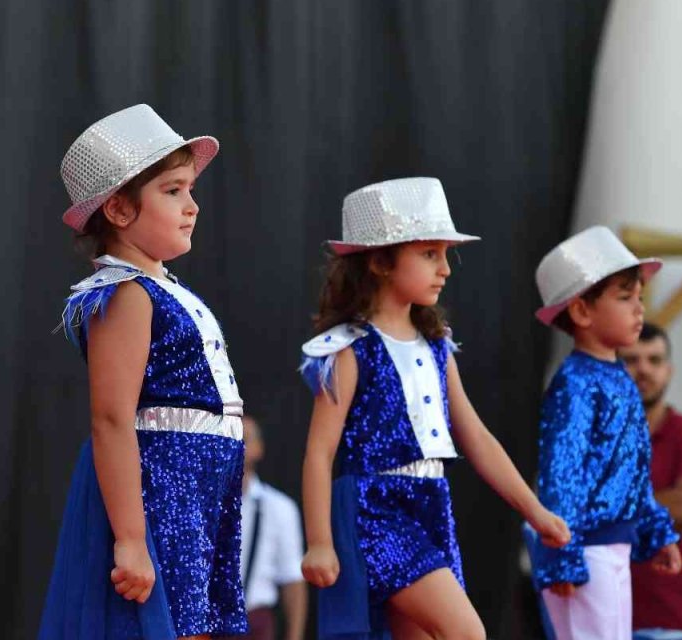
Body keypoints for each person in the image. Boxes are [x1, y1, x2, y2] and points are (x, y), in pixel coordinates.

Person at [299, 178, 571, 639]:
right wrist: (320, 542)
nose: (444, 269)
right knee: (467, 632)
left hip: (430, 506)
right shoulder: (348, 349)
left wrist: (535, 510)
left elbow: (477, 439)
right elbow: (320, 453)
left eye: (446, 255)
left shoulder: (438, 348)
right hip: (375, 511)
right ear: (381, 260)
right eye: (429, 254)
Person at [38, 104, 246, 639]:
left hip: (199, 488)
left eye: (190, 190)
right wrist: (131, 538)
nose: (192, 206)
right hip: (161, 485)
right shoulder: (126, 293)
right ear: (120, 210)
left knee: (193, 625)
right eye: (173, 191)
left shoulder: (164, 289)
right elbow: (111, 419)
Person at [532, 226, 682, 640]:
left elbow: (632, 472)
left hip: (614, 548)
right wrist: (563, 554)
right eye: (624, 298)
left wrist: (656, 530)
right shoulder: (576, 383)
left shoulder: (617, 377)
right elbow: (561, 475)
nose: (639, 310)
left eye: (640, 298)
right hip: (585, 550)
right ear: (581, 312)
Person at [620, 323, 682, 636]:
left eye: (654, 360)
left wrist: (608, 512)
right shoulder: (595, 439)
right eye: (631, 360)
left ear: (670, 370)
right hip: (608, 610)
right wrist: (661, 507)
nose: (643, 370)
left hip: (680, 615)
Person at [228, 416, 307, 640]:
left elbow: (292, 580)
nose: (235, 445)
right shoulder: (201, 506)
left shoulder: (280, 508)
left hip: (256, 625)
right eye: (228, 436)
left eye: (243, 438)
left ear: (258, 448)